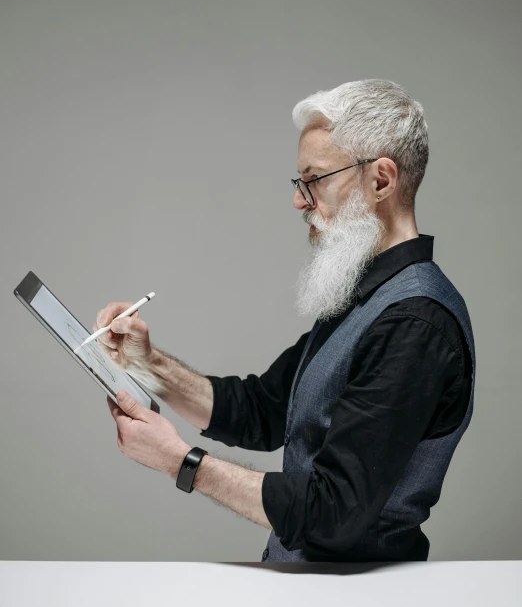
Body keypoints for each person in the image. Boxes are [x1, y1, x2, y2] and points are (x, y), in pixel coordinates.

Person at [98, 78, 475, 562]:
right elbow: (264, 410)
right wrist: (147, 364)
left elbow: (333, 513)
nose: (300, 201)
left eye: (314, 180)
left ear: (381, 180)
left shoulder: (414, 322)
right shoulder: (366, 298)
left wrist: (180, 461)